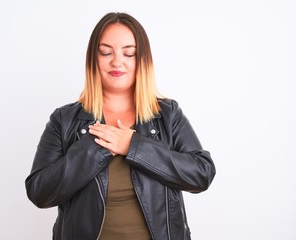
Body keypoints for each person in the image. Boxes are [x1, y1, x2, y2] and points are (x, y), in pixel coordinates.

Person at [25, 12, 216, 240]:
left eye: (129, 53)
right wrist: (95, 150)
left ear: (142, 60)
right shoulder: (64, 120)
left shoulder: (167, 114)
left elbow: (201, 173)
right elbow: (39, 192)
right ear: (93, 59)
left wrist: (134, 146)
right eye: (106, 52)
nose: (117, 61)